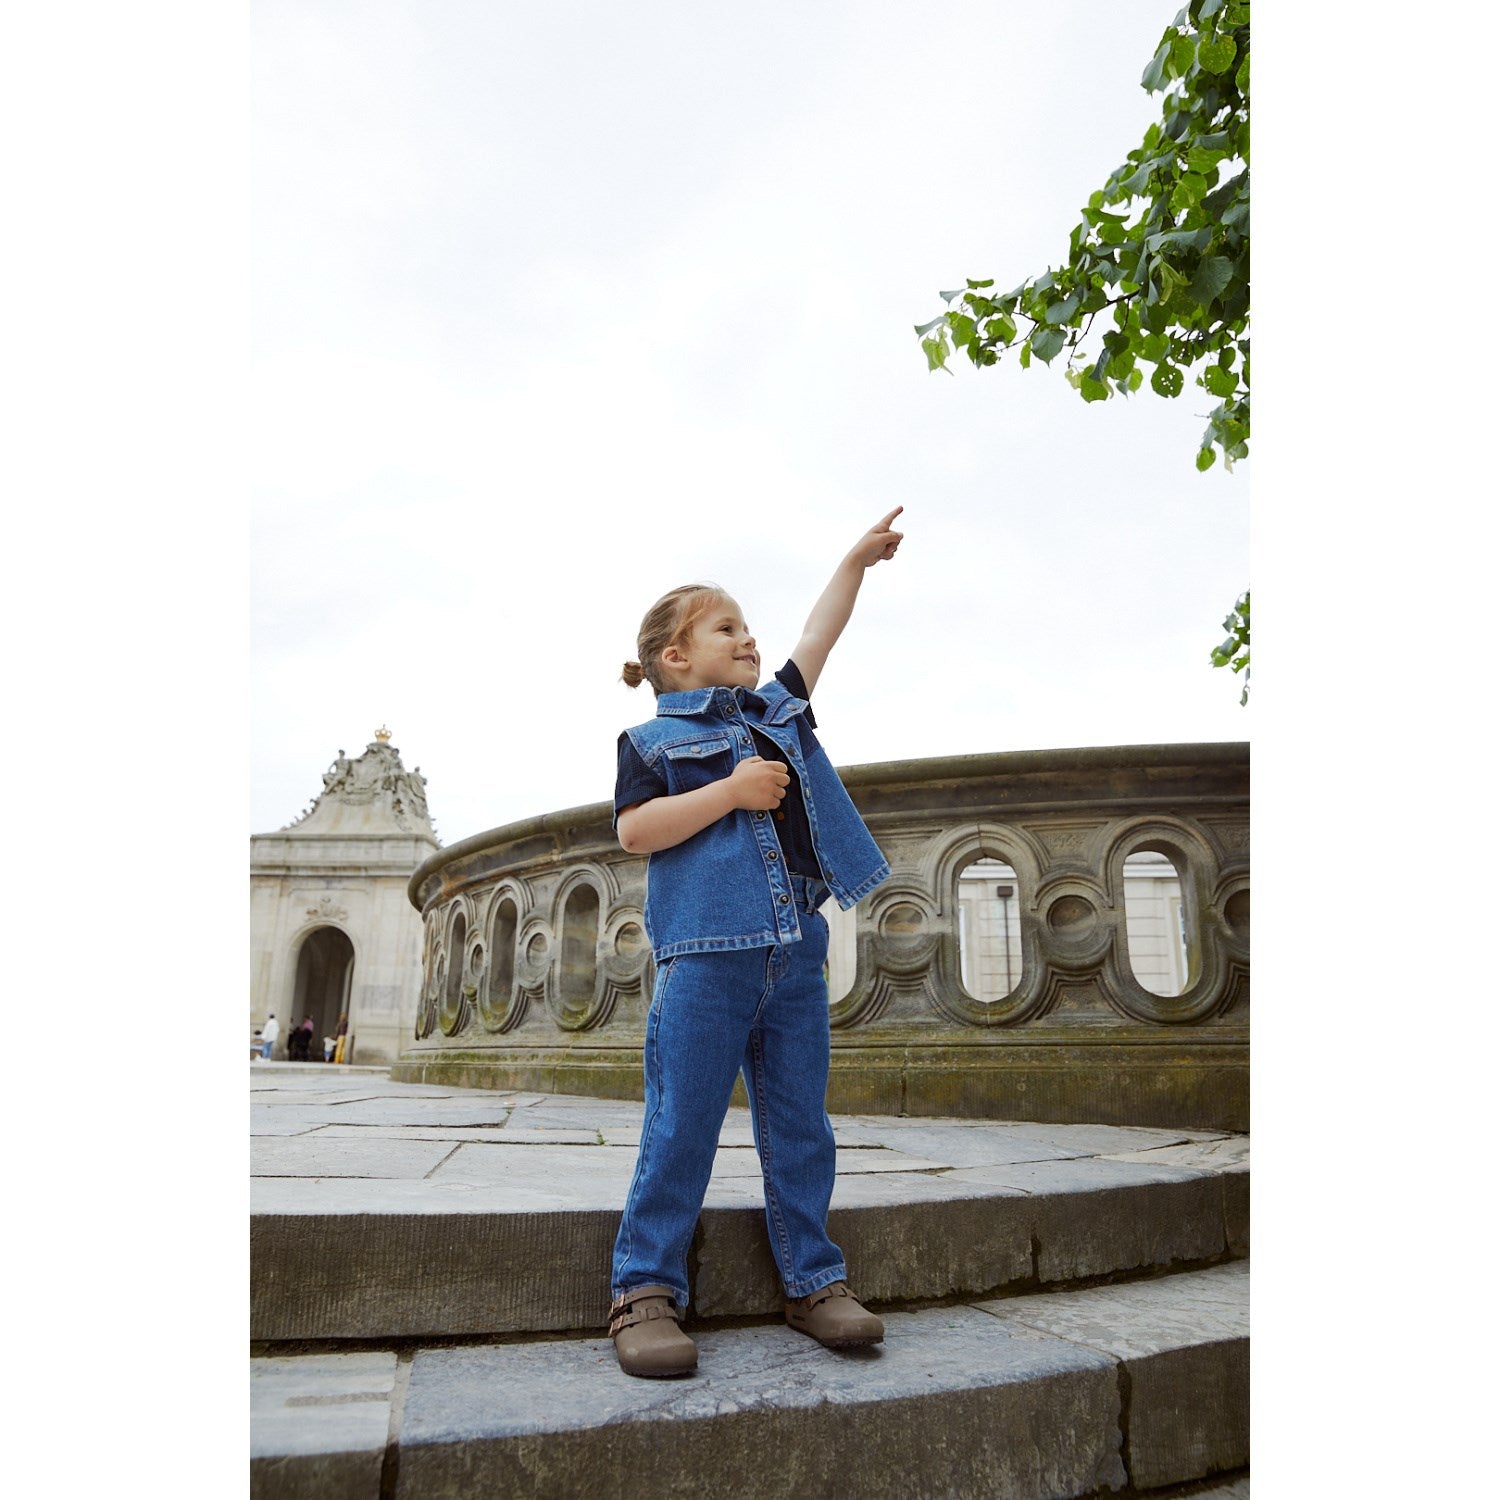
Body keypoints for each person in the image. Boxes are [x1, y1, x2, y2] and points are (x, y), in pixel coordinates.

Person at [607, 507, 905, 1379]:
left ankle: (813, 1280)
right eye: (726, 628)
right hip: (705, 957)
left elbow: (820, 634)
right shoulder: (652, 740)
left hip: (795, 951)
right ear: (675, 657)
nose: (748, 638)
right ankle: (644, 1289)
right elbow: (636, 832)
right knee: (682, 1122)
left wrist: (854, 562)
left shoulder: (777, 710)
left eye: (746, 626)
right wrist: (732, 792)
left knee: (801, 1123)